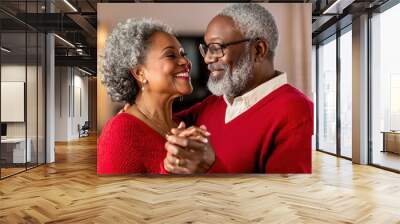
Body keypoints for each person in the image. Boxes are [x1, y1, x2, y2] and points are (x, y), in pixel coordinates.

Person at [163, 3, 314, 174]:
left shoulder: (296, 112)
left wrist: (210, 169)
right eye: (206, 49)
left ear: (258, 50)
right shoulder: (217, 102)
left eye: (217, 48)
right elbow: (162, 123)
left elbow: (284, 198)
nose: (207, 59)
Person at [97, 18, 210, 174]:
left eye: (183, 54)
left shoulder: (183, 126)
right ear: (140, 73)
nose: (185, 61)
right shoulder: (120, 132)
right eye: (171, 55)